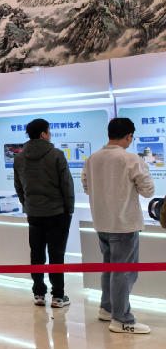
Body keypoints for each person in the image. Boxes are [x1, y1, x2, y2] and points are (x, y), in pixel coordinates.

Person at [82, 117, 154, 334]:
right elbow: (148, 191)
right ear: (129, 136)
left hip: (101, 222)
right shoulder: (131, 159)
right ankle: (122, 319)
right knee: (124, 273)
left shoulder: (92, 158)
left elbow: (86, 186)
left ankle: (107, 308)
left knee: (109, 268)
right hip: (124, 225)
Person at [13, 118, 74, 308]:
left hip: (34, 213)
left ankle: (39, 294)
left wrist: (27, 205)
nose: (50, 134)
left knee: (36, 254)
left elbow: (18, 186)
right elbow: (67, 185)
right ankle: (58, 296)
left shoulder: (19, 157)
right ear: (43, 134)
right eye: (49, 131)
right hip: (57, 213)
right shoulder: (56, 155)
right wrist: (69, 209)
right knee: (57, 255)